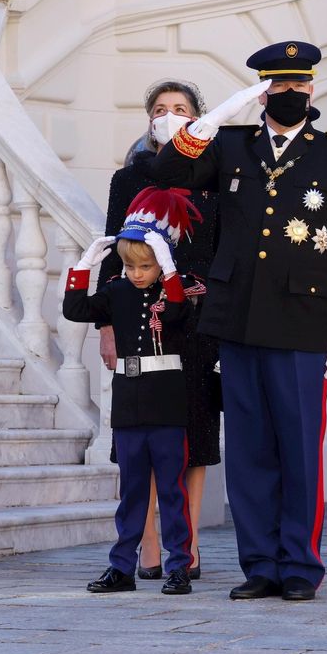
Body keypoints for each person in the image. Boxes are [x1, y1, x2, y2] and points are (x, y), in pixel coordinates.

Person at [150, 41, 327, 603]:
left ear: (313, 90)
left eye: (300, 86)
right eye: (279, 87)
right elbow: (166, 171)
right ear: (262, 93)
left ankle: (299, 564)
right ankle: (259, 564)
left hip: (304, 322)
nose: (291, 95)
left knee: (299, 448)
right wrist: (214, 118)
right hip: (238, 318)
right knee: (249, 449)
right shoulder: (230, 146)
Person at [99, 79, 220, 582]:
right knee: (142, 438)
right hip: (140, 330)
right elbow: (110, 254)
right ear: (148, 118)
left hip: (196, 322)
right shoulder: (127, 180)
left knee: (195, 434)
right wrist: (106, 325)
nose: (170, 116)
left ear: (197, 118)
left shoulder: (214, 177)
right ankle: (147, 547)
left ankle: (184, 547)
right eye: (162, 109)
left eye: (182, 109)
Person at [63, 187, 203, 597]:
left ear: (160, 262)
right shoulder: (115, 291)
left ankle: (179, 566)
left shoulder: (178, 290)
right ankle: (121, 566)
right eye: (130, 265)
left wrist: (169, 268)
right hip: (128, 401)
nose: (137, 273)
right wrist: (84, 267)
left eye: (145, 265)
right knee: (132, 493)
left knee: (173, 492)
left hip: (167, 403)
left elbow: (177, 315)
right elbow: (76, 310)